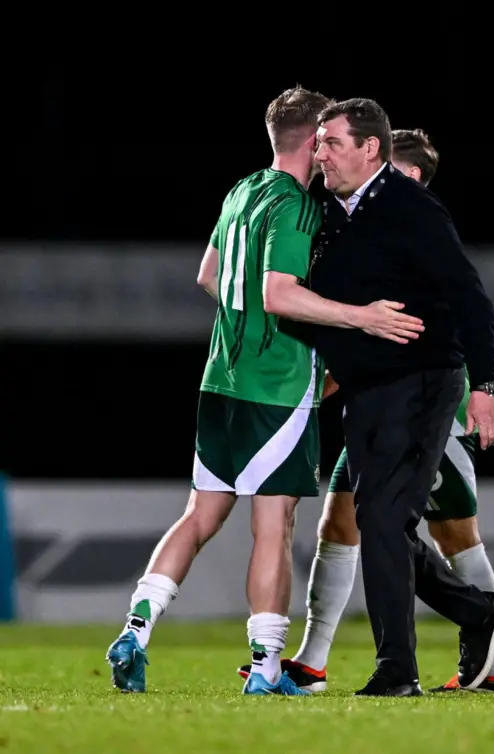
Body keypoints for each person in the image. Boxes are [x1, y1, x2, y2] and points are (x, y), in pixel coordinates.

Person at [104, 87, 425, 696]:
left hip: (218, 378)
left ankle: (136, 630)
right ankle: (268, 667)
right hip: (274, 389)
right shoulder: (296, 207)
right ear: (312, 141)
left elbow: (208, 276)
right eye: (326, 139)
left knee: (198, 516)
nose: (330, 149)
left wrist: (242, 320)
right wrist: (360, 318)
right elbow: (280, 293)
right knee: (273, 525)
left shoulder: (241, 190)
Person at [237, 129, 494, 694]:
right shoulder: (340, 216)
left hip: (432, 396)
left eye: (333, 143)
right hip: (373, 394)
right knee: (366, 522)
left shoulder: (413, 211)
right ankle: (467, 617)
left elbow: (468, 299)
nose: (323, 156)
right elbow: (346, 318)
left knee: (442, 529)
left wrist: (483, 385)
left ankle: (437, 658)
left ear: (384, 163)